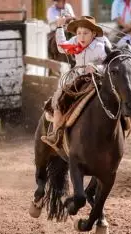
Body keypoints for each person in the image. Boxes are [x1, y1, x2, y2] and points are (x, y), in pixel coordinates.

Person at [41, 16, 111, 149]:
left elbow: (109, 64)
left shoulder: (100, 46)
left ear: (93, 34)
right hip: (77, 77)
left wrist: (97, 68)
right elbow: (62, 48)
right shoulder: (75, 42)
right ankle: (55, 134)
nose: (81, 37)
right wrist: (60, 27)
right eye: (79, 33)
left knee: (119, 95)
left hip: (97, 78)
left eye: (85, 33)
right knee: (59, 98)